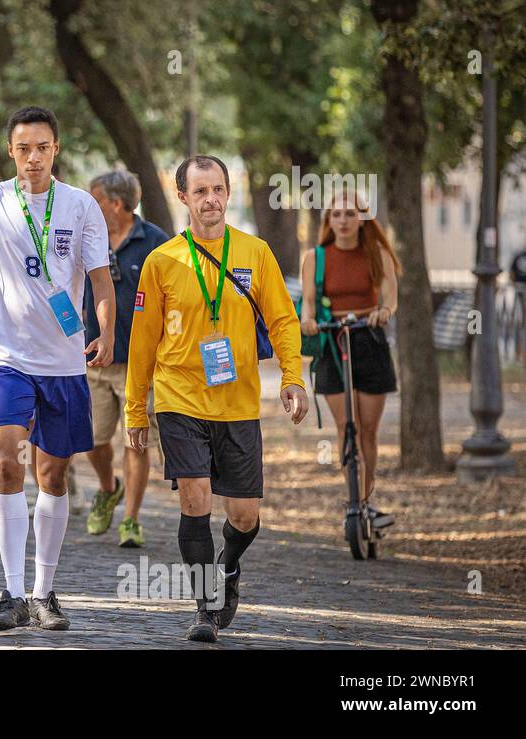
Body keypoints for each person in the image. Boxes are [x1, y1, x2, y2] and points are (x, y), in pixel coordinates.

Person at [126, 154, 308, 643]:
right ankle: (206, 608)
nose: (211, 199)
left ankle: (226, 571)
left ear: (229, 194)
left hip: (239, 402)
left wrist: (293, 377)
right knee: (195, 499)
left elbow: (283, 321)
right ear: (182, 197)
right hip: (178, 397)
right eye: (200, 191)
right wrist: (135, 408)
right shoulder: (162, 261)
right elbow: (142, 343)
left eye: (219, 190)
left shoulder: (255, 253)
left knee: (245, 516)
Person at [0, 106, 115, 632]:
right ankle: (12, 592)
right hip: (6, 358)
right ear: (11, 152)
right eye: (24, 148)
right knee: (6, 461)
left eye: (42, 147)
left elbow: (102, 280)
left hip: (63, 363)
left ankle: (45, 591)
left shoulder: (81, 206)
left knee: (54, 473)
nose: (33, 157)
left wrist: (106, 330)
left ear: (56, 149)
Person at [80, 170, 169, 547]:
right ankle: (107, 487)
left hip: (139, 365)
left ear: (115, 203)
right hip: (92, 360)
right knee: (92, 441)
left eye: (95, 199)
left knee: (137, 442)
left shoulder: (155, 243)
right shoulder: (85, 236)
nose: (89, 205)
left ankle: (131, 519)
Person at [300, 193, 399, 529]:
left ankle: (368, 500)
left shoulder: (378, 253)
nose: (343, 220)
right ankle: (354, 501)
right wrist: (308, 320)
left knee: (368, 430)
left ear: (362, 219)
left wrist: (384, 312)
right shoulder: (315, 257)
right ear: (329, 220)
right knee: (346, 427)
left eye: (350, 214)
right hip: (333, 339)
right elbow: (308, 305)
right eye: (336, 214)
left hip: (368, 338)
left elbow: (391, 297)